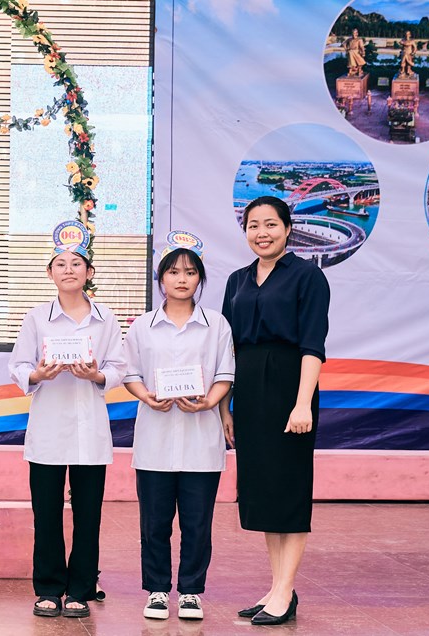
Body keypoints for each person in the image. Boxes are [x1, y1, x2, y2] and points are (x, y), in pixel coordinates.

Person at [9, 219, 125, 619]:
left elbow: (119, 366)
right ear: (50, 273)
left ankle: (80, 588)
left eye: (77, 263)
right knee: (47, 513)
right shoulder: (36, 318)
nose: (69, 270)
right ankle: (48, 588)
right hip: (48, 428)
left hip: (90, 428)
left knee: (88, 514)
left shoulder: (106, 319)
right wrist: (38, 374)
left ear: (89, 272)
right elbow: (19, 364)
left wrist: (97, 375)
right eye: (61, 263)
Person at [221, 196, 329, 626]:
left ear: (287, 229)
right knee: (264, 491)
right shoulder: (237, 280)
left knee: (289, 490)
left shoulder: (307, 276)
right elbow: (228, 350)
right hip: (249, 391)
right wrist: (225, 407)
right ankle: (277, 586)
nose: (261, 233)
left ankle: (285, 590)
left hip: (289, 388)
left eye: (270, 224)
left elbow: (313, 345)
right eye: (253, 225)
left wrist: (302, 403)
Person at [122, 232, 234, 622]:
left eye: (189, 272)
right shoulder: (142, 326)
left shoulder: (216, 325)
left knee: (197, 523)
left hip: (201, 440)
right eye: (173, 272)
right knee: (154, 523)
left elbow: (225, 374)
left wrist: (209, 402)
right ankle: (156, 589)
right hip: (154, 439)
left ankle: (190, 592)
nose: (181, 279)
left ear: (200, 278)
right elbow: (130, 373)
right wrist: (147, 396)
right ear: (161, 278)